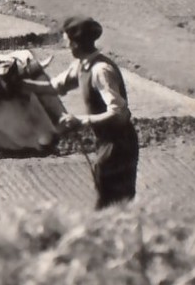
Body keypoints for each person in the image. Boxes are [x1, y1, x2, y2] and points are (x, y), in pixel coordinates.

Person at [51, 15, 139, 209]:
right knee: (105, 198)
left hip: (119, 145)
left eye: (68, 41)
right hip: (106, 143)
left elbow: (119, 113)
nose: (66, 46)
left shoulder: (101, 70)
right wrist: (21, 85)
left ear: (76, 44)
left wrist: (81, 121)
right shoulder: (82, 66)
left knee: (113, 204)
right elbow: (53, 87)